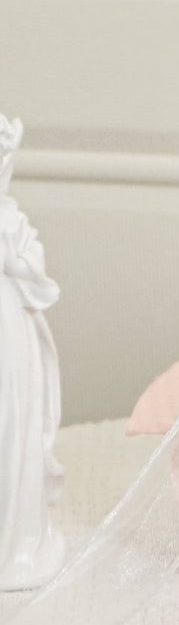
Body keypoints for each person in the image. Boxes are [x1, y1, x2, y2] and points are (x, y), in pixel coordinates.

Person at [0, 116, 65, 589]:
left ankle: (17, 538)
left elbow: (36, 279)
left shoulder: (11, 220)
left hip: (9, 329)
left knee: (13, 422)